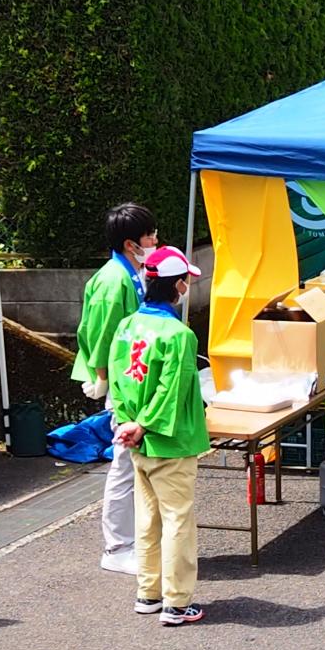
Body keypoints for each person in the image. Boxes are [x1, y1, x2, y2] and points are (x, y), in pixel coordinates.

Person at [109, 247, 208, 626]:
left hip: (136, 439)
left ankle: (149, 593)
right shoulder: (179, 335)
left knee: (147, 520)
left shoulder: (127, 326)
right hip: (170, 440)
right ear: (178, 285)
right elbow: (172, 388)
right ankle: (177, 602)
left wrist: (128, 422)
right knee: (177, 520)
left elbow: (118, 380)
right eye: (186, 281)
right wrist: (146, 424)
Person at [71, 202, 159, 576]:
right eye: (149, 236)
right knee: (124, 465)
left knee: (137, 465)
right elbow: (101, 333)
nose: (155, 240)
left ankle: (133, 540)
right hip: (123, 384)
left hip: (136, 379)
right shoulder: (114, 280)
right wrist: (102, 376)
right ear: (130, 243)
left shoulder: (134, 271)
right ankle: (117, 545)